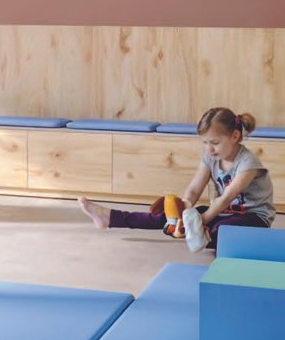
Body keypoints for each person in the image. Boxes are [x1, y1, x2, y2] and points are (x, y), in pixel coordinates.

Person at [79, 107, 274, 252]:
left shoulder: (248, 163)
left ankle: (203, 234)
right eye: (205, 143)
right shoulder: (211, 158)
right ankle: (110, 217)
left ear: (235, 136)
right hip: (224, 213)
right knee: (169, 216)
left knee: (220, 231)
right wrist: (183, 209)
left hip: (254, 217)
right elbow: (194, 190)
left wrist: (200, 220)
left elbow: (226, 198)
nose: (209, 149)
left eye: (215, 143)